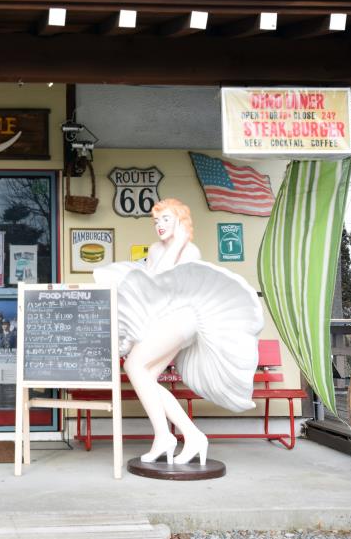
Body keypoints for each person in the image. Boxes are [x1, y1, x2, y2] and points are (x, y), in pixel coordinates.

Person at [93, 198, 263, 466]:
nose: (159, 225)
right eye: (156, 221)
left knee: (134, 366)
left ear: (180, 222)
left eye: (166, 219)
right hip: (162, 319)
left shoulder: (189, 251)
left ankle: (167, 437)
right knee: (146, 376)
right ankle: (189, 436)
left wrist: (177, 244)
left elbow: (163, 281)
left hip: (184, 318)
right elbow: (148, 287)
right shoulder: (155, 249)